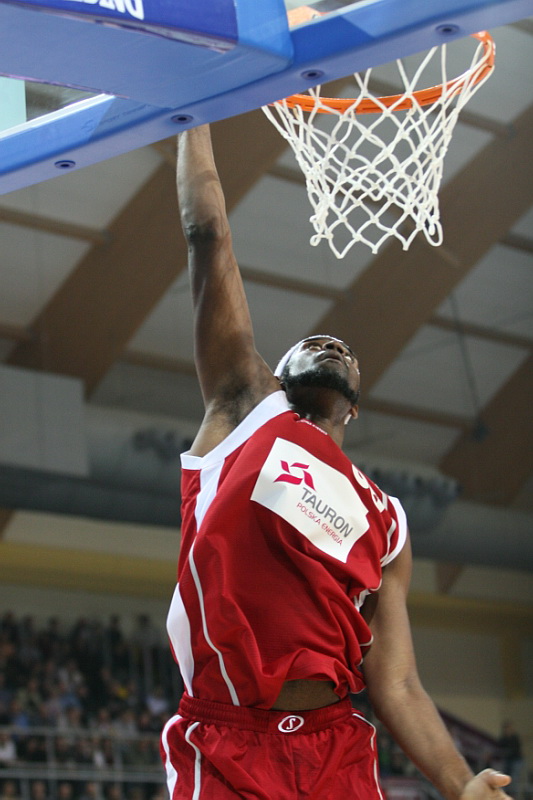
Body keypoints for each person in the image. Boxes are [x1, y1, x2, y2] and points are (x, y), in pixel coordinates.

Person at [161, 124, 513, 800]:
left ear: (353, 410)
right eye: (314, 342)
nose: (332, 343)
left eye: (345, 349)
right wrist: (193, 117)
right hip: (230, 737)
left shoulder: (387, 520)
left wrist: (460, 783)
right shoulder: (244, 407)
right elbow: (207, 235)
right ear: (280, 374)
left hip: (335, 746)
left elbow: (397, 682)